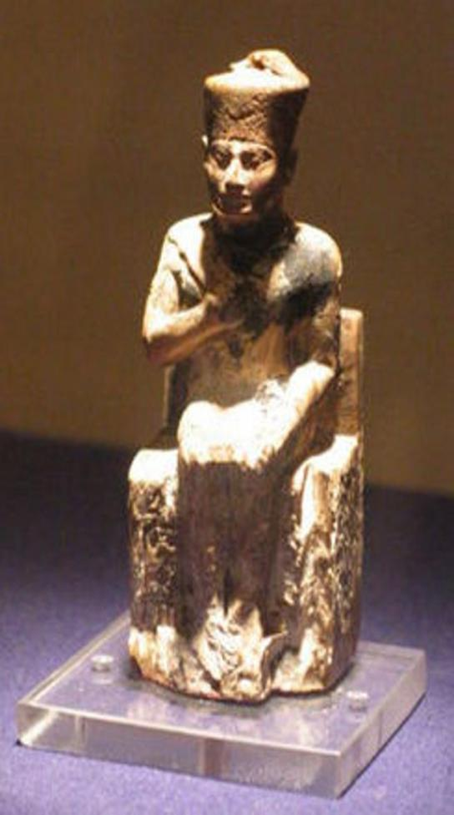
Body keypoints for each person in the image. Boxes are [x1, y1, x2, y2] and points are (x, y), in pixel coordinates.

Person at [129, 51, 360, 701]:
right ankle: (205, 618)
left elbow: (321, 359)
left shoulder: (313, 255)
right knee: (204, 442)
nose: (233, 177)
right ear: (203, 155)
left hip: (278, 402)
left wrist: (285, 411)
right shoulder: (187, 244)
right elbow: (155, 343)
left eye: (253, 160)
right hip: (209, 402)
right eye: (221, 157)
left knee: (255, 453)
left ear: (287, 167)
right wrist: (210, 317)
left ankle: (249, 610)